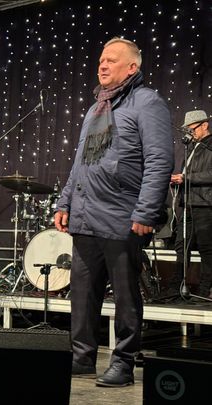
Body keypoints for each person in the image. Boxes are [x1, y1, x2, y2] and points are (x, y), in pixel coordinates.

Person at [54, 38, 173, 387]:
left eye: (111, 60)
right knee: (82, 294)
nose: (102, 65)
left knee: (125, 296)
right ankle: (82, 359)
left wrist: (146, 211)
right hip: (85, 216)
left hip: (123, 216)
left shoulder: (147, 102)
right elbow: (80, 163)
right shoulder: (95, 109)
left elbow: (159, 161)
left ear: (132, 67)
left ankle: (123, 361)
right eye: (101, 60)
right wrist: (65, 202)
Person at [168, 110, 212, 299]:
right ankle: (177, 288)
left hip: (205, 204)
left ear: (205, 125)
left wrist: (187, 178)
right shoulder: (192, 147)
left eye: (192, 129)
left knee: (206, 248)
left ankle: (205, 290)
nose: (190, 134)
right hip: (188, 204)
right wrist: (178, 181)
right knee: (181, 246)